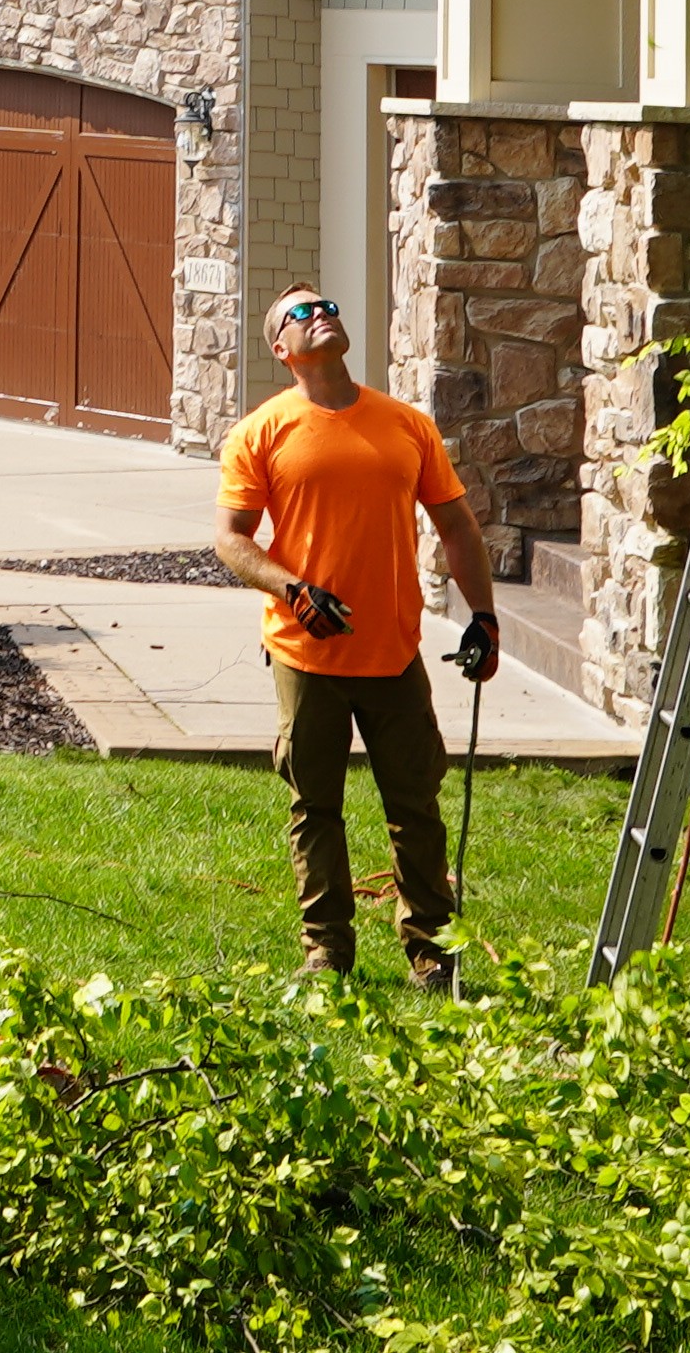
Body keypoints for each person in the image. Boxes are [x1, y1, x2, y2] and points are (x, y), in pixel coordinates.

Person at [211, 284, 503, 985]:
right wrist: (293, 589)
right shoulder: (261, 432)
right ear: (281, 349)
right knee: (316, 805)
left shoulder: (405, 424)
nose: (323, 316)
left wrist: (483, 617)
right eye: (302, 314)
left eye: (329, 306)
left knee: (416, 804)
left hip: (393, 650)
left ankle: (432, 949)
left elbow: (457, 525)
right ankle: (327, 951)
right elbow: (230, 540)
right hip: (304, 652)